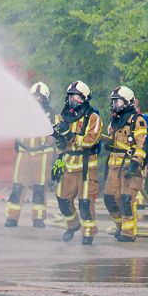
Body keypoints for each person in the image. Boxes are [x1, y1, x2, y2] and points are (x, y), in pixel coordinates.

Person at [52, 82, 104, 245]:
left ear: (84, 98)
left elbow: (90, 141)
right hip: (68, 165)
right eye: (70, 97)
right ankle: (73, 224)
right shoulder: (64, 117)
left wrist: (70, 135)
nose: (72, 100)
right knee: (62, 200)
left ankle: (88, 233)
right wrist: (59, 139)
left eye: (75, 97)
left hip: (86, 168)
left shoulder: (93, 118)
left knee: (85, 203)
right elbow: (60, 145)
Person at [98, 86, 148, 242]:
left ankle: (128, 233)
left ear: (127, 102)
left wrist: (135, 163)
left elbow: (142, 145)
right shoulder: (115, 121)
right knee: (109, 199)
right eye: (113, 102)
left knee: (126, 200)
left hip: (129, 168)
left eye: (118, 101)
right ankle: (121, 226)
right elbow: (114, 141)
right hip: (114, 166)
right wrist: (109, 144)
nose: (114, 105)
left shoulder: (137, 120)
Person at [7, 81, 55, 229]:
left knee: (39, 188)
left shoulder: (52, 114)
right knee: (18, 186)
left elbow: (59, 135)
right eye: (35, 96)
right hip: (24, 152)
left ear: (46, 98)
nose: (37, 100)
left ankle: (38, 219)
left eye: (40, 97)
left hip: (43, 155)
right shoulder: (22, 113)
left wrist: (59, 158)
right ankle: (12, 217)